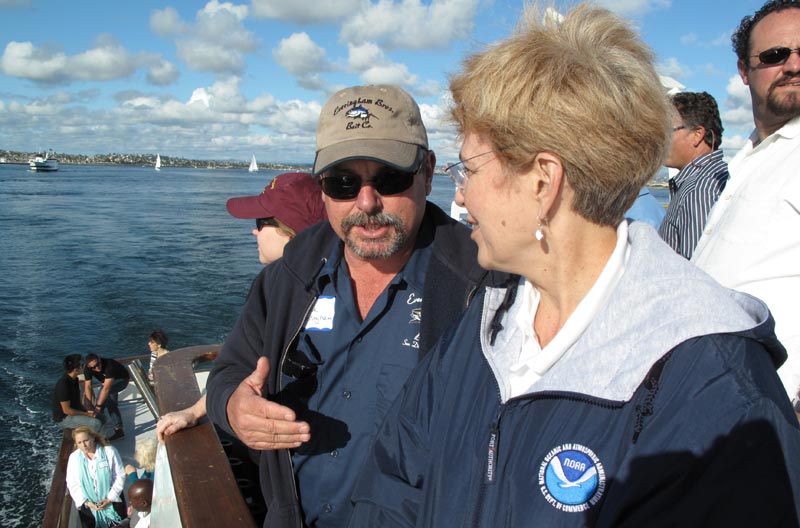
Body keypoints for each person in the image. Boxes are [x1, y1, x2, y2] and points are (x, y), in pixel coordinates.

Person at [348, 4, 800, 526]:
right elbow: (395, 478)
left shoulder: (717, 391)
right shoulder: (489, 320)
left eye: (467, 167)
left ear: (543, 181)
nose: (462, 194)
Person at [206, 84, 502, 527]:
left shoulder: (482, 288)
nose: (367, 202)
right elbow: (228, 373)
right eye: (343, 183)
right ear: (322, 188)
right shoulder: (286, 279)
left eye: (389, 178)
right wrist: (234, 407)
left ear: (427, 172)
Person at [156, 172, 326, 441]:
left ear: (290, 229)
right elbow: (245, 361)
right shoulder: (272, 288)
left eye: (260, 223)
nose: (254, 231)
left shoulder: (293, 288)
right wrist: (193, 412)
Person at [692, 0, 800, 400]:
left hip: (779, 414)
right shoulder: (751, 156)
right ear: (744, 70)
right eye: (775, 55)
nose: (792, 65)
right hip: (723, 410)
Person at [658, 91, 729, 259]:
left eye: (668, 130)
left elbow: (697, 272)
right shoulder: (712, 179)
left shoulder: (699, 190)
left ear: (697, 134)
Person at [66, 426, 127, 528]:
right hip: (89, 507)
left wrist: (109, 499)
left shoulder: (109, 451)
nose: (84, 445)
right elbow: (72, 483)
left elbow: (119, 476)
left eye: (86, 440)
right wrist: (87, 503)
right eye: (79, 442)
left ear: (93, 438)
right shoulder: (74, 458)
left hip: (113, 502)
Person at [83, 354, 130, 441]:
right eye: (93, 367)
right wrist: (89, 405)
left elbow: (106, 389)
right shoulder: (87, 369)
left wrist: (98, 407)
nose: (97, 368)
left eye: (98, 365)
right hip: (106, 382)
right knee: (107, 401)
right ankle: (113, 429)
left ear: (100, 360)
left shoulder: (109, 365)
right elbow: (88, 387)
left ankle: (114, 430)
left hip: (122, 380)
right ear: (88, 367)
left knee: (106, 400)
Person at [52, 353, 103, 433]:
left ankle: (100, 439)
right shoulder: (63, 384)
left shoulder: (74, 379)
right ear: (76, 369)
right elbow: (66, 410)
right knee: (95, 423)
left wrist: (87, 410)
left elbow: (76, 401)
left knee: (102, 418)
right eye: (82, 365)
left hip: (74, 411)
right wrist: (87, 414)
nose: (85, 366)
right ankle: (93, 443)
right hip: (64, 418)